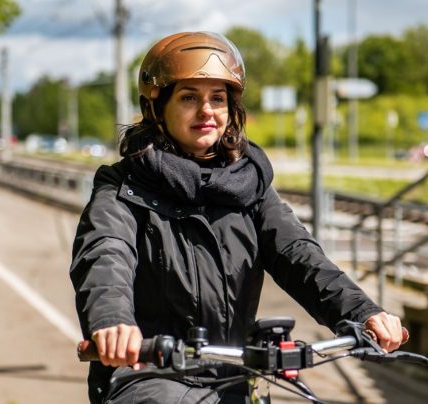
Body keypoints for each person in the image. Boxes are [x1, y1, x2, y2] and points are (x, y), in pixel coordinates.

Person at [70, 31, 407, 404]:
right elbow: (105, 256)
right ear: (156, 107)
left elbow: (300, 256)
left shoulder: (249, 186)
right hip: (147, 374)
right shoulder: (122, 187)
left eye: (218, 98)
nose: (207, 111)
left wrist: (362, 312)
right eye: (188, 97)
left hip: (234, 375)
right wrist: (113, 323)